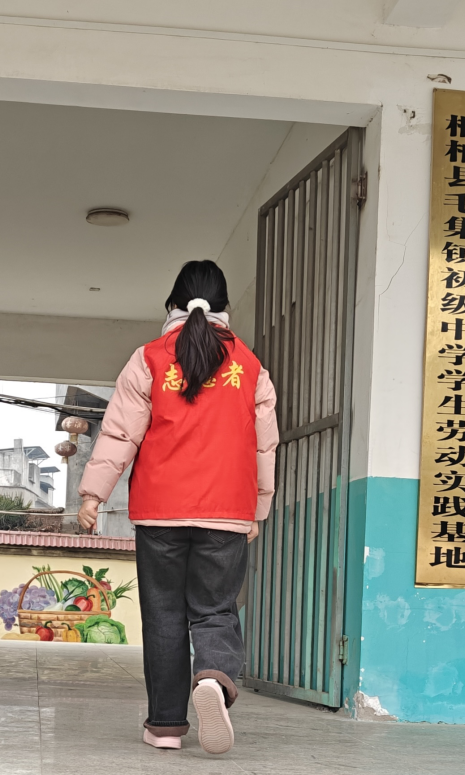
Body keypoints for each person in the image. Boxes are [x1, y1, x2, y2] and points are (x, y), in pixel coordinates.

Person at [77, 260, 279, 754]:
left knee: (164, 614)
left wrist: (93, 494)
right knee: (215, 609)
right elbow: (264, 446)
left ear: (172, 303)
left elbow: (120, 432)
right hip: (226, 512)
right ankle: (212, 678)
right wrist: (257, 509)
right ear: (225, 307)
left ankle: (166, 727)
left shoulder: (148, 358)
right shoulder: (250, 366)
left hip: (160, 510)